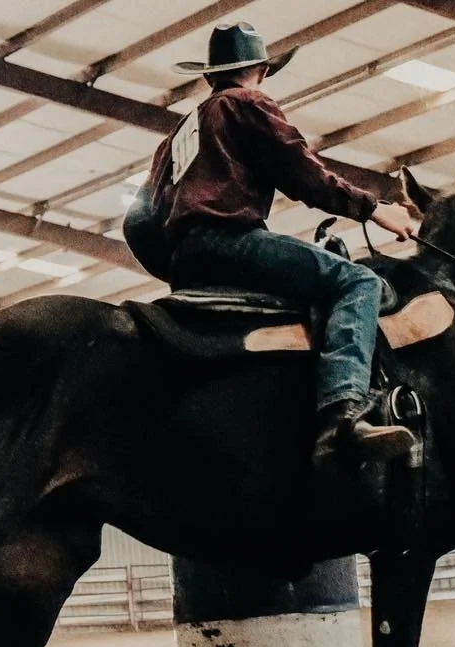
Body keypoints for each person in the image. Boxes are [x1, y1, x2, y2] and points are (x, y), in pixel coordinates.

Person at [133, 22, 418, 469]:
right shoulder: (247, 103)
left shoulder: (177, 137)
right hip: (231, 243)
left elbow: (138, 222)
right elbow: (302, 172)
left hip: (187, 262)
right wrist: (374, 208)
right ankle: (342, 411)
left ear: (210, 75)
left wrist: (176, 266)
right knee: (356, 281)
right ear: (261, 70)